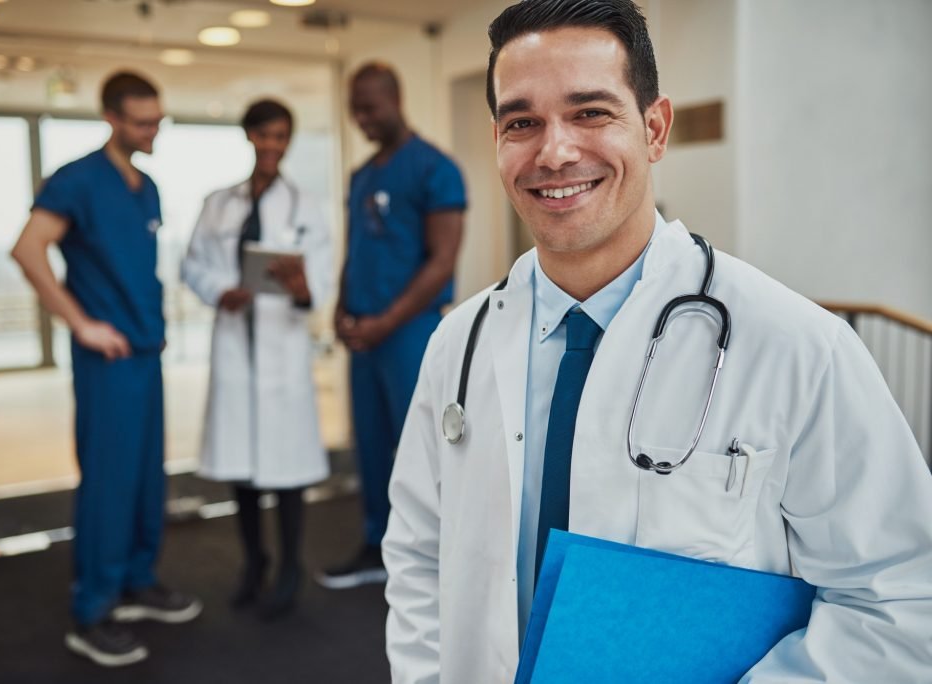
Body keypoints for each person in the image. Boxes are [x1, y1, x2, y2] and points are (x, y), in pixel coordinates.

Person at [382, 1, 932, 682]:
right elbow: (416, 552)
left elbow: (899, 599)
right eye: (522, 121)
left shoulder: (797, 346)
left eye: (590, 112)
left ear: (654, 127)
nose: (554, 152)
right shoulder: (457, 345)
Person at [11, 71, 201, 667]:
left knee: (147, 478)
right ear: (112, 119)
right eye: (143, 123)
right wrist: (81, 322)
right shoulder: (77, 180)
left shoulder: (146, 187)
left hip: (146, 353)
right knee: (109, 481)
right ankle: (91, 611)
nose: (153, 132)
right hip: (107, 358)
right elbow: (27, 248)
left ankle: (135, 582)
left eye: (158, 121)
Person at [180, 99, 332, 620]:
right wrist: (220, 290)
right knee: (241, 468)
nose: (273, 146)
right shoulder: (218, 203)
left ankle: (289, 566)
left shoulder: (305, 206)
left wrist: (300, 286)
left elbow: (321, 284)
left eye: (282, 137)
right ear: (249, 136)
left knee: (286, 468)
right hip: (234, 343)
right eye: (264, 136)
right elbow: (193, 264)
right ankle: (254, 561)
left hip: (281, 345)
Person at [318, 63, 467, 590]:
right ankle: (376, 542)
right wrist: (341, 306)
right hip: (364, 333)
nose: (361, 118)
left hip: (408, 333)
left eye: (370, 107)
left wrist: (386, 321)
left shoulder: (435, 169)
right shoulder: (362, 176)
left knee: (419, 446)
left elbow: (441, 262)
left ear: (396, 99)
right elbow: (355, 249)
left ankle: (431, 552)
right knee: (371, 442)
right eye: (354, 108)